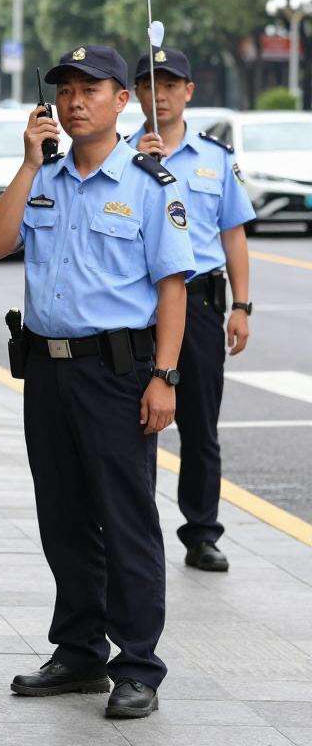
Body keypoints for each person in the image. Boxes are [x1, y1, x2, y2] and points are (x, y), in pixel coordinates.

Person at [0, 45, 196, 720]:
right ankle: (79, 652)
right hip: (46, 369)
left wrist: (164, 377)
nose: (76, 102)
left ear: (120, 100)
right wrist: (25, 164)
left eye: (90, 90)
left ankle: (137, 664)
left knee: (126, 518)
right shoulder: (42, 179)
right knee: (64, 516)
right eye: (65, 91)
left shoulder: (149, 183)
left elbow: (172, 290)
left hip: (117, 372)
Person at [130, 48, 255, 572]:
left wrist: (242, 305)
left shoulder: (215, 158)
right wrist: (138, 162)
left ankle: (201, 531)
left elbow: (234, 233)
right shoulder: (118, 154)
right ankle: (136, 531)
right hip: (139, 306)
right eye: (148, 84)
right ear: (133, 95)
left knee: (200, 425)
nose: (159, 94)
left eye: (170, 84)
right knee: (135, 422)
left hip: (201, 302)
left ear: (188, 92)